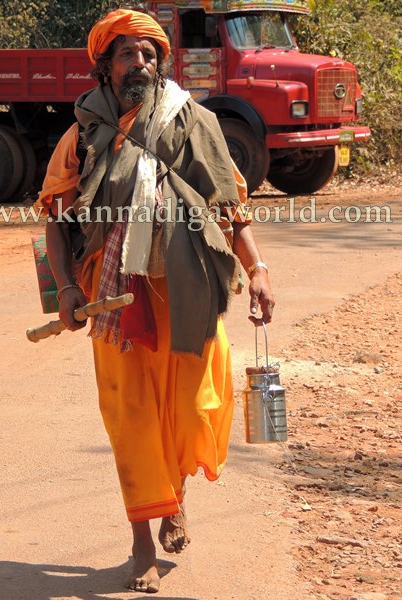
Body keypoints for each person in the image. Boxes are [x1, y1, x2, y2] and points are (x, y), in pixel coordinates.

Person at [35, 7, 274, 594]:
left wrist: (258, 267)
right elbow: (56, 220)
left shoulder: (195, 121)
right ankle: (142, 540)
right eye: (125, 54)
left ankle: (175, 498)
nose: (138, 62)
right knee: (132, 416)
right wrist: (66, 287)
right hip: (114, 299)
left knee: (191, 409)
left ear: (160, 62)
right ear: (105, 66)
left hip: (191, 292)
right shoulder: (82, 132)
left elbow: (230, 205)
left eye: (147, 53)